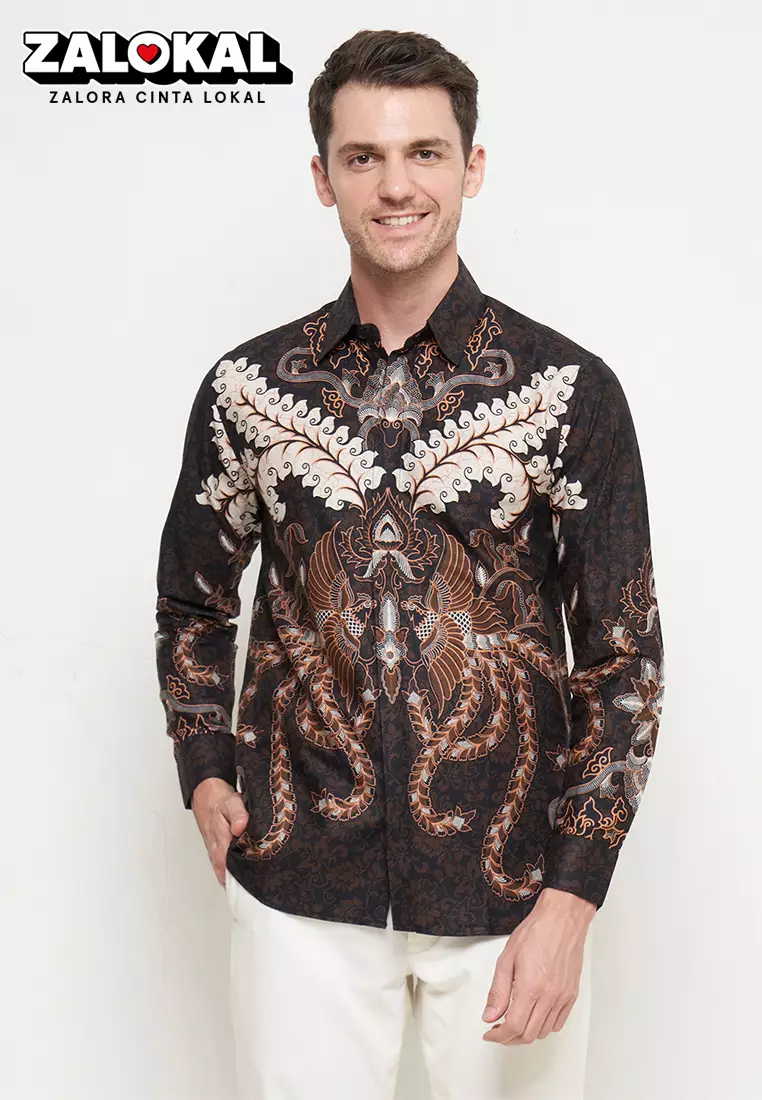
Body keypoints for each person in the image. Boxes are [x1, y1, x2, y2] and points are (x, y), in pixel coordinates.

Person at [154, 27, 665, 1100]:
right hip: (298, 884)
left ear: (471, 167)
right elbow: (191, 600)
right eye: (364, 157)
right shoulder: (248, 389)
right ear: (324, 177)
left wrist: (574, 898)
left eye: (424, 152)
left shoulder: (569, 391)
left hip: (511, 889)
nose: (396, 185)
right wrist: (203, 763)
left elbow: (625, 663)